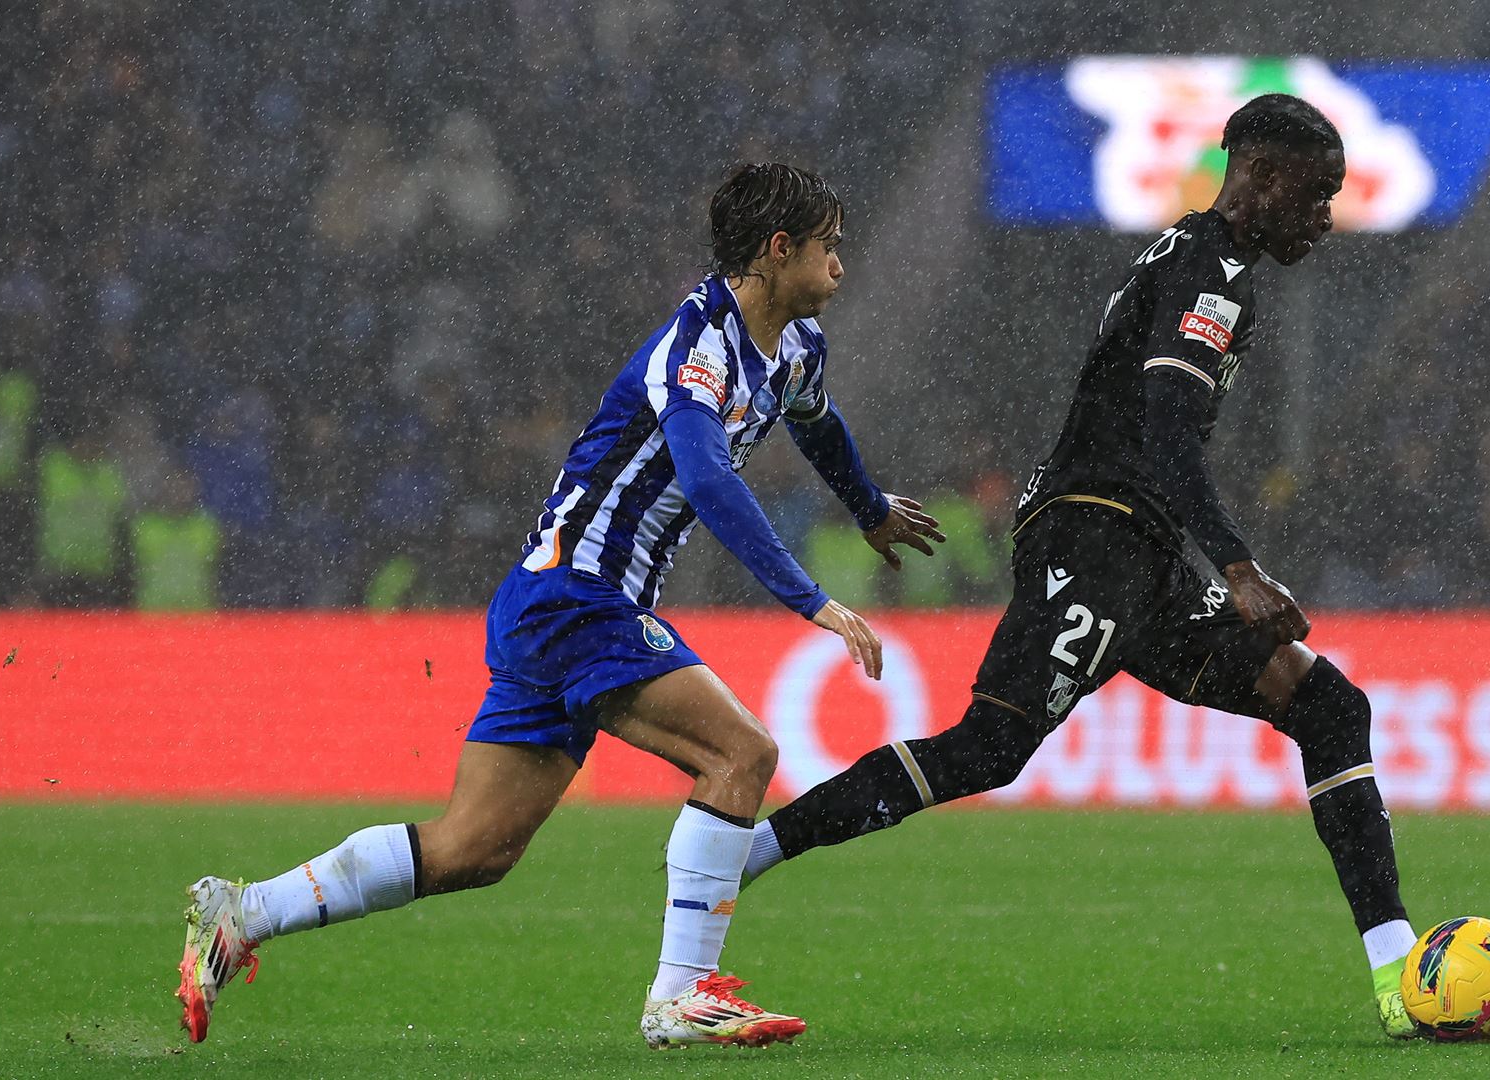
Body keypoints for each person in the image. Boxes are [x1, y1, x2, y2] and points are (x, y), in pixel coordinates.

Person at [177, 163, 945, 1049]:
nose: (841, 264)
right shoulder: (694, 349)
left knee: (475, 849)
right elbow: (705, 474)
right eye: (829, 247)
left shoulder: (798, 345)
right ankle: (682, 995)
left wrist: (869, 506)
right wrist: (812, 601)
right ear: (779, 252)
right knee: (742, 753)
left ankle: (244, 911)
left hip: (553, 603)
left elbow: (817, 421)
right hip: (582, 594)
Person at [743, 96, 1426, 1038]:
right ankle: (738, 856)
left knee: (1328, 706)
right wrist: (1238, 566)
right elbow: (1166, 430)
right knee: (987, 747)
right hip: (1095, 538)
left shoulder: (1188, 256)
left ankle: (1402, 982)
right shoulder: (1212, 271)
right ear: (1263, 176)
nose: (1324, 216)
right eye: (1316, 194)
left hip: (1140, 555)